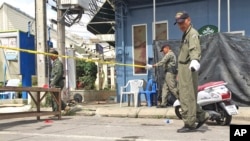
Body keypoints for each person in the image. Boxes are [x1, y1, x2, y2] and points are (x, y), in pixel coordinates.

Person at [174, 11, 210, 133]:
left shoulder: (192, 34)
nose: (180, 26)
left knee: (187, 96)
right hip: (184, 69)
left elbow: (194, 49)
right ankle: (202, 116)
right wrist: (180, 73)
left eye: (182, 22)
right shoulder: (186, 34)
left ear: (188, 20)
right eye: (178, 24)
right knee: (184, 95)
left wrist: (195, 60)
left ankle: (189, 124)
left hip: (190, 68)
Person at [152, 44, 178, 108]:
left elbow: (163, 62)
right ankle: (163, 103)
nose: (163, 52)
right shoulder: (171, 54)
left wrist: (154, 65)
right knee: (165, 89)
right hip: (168, 73)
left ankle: (183, 101)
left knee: (172, 88)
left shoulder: (169, 54)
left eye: (163, 50)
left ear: (167, 48)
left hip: (170, 73)